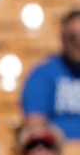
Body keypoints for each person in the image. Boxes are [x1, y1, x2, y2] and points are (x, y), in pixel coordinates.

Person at [21, 10, 80, 138]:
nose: (78, 42)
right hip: (57, 147)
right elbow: (35, 125)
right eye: (73, 36)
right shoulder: (42, 74)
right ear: (62, 37)